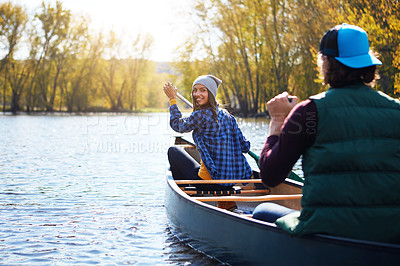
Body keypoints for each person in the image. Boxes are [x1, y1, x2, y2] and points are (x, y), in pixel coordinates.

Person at [252, 24, 400, 243]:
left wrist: (277, 120)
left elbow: (270, 176)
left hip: (328, 231)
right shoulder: (395, 110)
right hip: (390, 233)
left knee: (262, 210)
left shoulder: (309, 112)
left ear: (326, 63)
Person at [163, 75, 253, 210]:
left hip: (209, 183)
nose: (197, 94)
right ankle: (225, 202)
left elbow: (177, 125)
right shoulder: (228, 116)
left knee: (173, 151)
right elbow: (245, 146)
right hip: (229, 183)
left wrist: (172, 99)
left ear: (211, 93)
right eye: (195, 90)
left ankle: (184, 196)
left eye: (203, 90)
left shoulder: (200, 115)